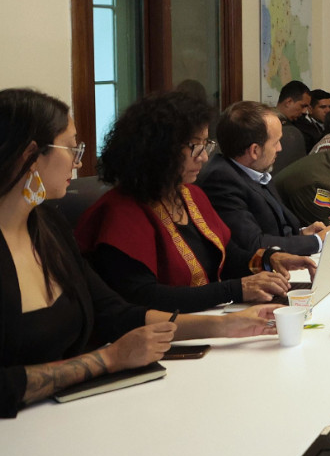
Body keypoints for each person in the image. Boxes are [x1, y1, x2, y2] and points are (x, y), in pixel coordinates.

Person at [0, 88, 277, 418]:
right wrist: (107, 360)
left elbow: (117, 313)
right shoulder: (113, 212)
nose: (78, 160)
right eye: (73, 147)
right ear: (30, 154)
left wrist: (229, 327)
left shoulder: (46, 227)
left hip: (62, 416)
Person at [77, 90, 315, 313]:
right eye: (195, 147)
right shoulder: (121, 213)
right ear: (159, 149)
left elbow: (227, 253)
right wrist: (236, 289)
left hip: (211, 319)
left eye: (205, 145)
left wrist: (268, 258)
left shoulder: (190, 194)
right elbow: (143, 296)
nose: (203, 157)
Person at [197, 101, 330, 256]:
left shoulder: (254, 169)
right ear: (255, 150)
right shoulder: (221, 181)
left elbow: (273, 229)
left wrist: (301, 234)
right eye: (275, 142)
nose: (280, 148)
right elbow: (255, 244)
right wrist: (317, 241)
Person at [273, 79, 312, 171]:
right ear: (289, 102)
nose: (304, 111)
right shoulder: (275, 125)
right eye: (302, 106)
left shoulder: (299, 123)